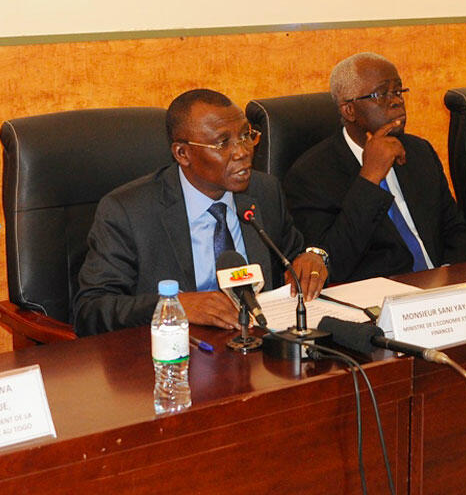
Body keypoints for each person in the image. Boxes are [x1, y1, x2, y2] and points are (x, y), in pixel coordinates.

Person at [73, 89, 328, 336]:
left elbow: (295, 257)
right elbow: (92, 309)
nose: (243, 151)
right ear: (182, 154)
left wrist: (313, 258)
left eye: (245, 135)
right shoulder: (127, 212)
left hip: (257, 346)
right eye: (222, 143)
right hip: (176, 352)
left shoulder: (264, 192)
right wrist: (175, 305)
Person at [284, 52, 466, 282]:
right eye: (381, 94)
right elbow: (330, 264)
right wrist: (370, 178)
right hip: (379, 295)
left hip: (441, 286)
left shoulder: (418, 151)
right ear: (349, 110)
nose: (396, 101)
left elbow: (457, 231)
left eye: (398, 91)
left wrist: (449, 278)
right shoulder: (311, 175)